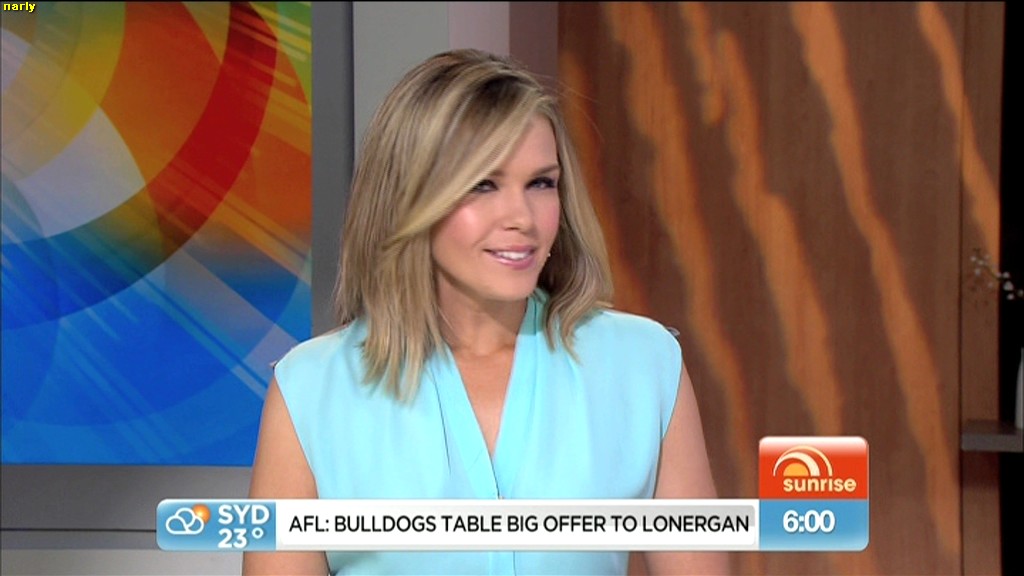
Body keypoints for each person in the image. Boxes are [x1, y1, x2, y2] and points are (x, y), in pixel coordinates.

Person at [243, 49, 726, 576]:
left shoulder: (643, 365)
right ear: (409, 198)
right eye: (483, 184)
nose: (522, 218)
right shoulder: (312, 389)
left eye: (541, 183)